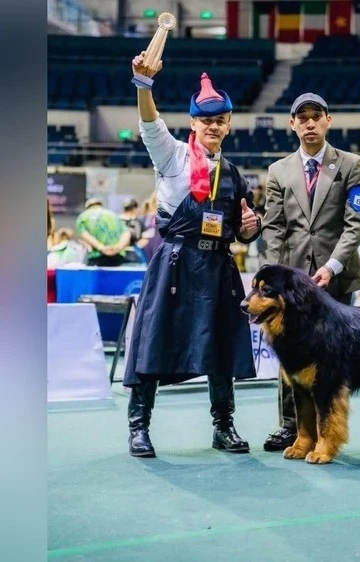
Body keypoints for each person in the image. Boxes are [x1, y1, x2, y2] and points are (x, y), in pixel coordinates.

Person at [122, 52, 262, 458]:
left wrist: (249, 232)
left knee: (221, 347)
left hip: (219, 267)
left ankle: (224, 427)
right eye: (206, 121)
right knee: (153, 341)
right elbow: (150, 123)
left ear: (229, 124)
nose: (213, 126)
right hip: (176, 265)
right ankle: (138, 428)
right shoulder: (172, 155)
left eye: (220, 120)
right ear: (193, 124)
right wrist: (144, 86)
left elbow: (240, 226)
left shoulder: (235, 174)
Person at [259, 92, 360, 452]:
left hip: (335, 278)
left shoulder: (353, 164)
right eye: (302, 117)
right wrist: (278, 279)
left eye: (316, 116)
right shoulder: (278, 171)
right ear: (292, 124)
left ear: (328, 121)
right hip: (292, 286)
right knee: (288, 355)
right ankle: (291, 426)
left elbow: (357, 223)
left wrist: (331, 266)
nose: (309, 123)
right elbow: (275, 227)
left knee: (332, 362)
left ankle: (328, 432)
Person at [75, 198, 131, 266]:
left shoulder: (83, 216)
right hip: (118, 255)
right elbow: (126, 233)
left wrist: (101, 247)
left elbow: (85, 235)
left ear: (87, 207)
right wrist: (118, 247)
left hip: (97, 256)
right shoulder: (113, 215)